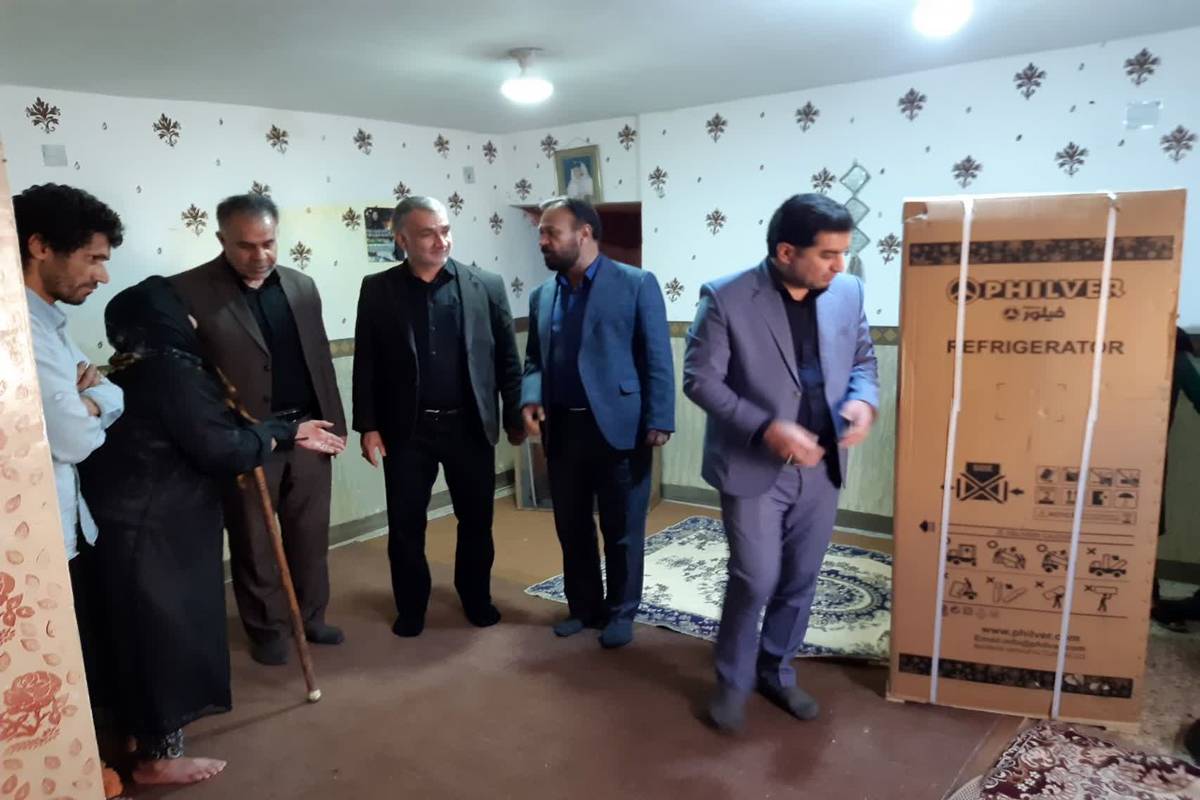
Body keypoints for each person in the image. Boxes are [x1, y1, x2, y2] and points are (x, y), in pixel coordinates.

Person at [80, 276, 343, 786]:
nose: (195, 321)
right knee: (163, 635)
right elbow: (222, 447)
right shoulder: (172, 372)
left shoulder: (129, 371)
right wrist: (280, 434)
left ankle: (138, 734)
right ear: (164, 319)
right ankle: (157, 759)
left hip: (130, 521)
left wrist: (280, 430)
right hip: (156, 529)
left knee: (134, 632)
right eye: (183, 312)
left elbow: (212, 429)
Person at [683, 193, 879, 733]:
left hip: (823, 464)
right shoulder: (726, 297)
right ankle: (733, 682)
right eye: (828, 254)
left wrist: (863, 401)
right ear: (786, 252)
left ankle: (776, 670)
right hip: (753, 466)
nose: (840, 265)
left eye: (844, 253)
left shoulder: (848, 291)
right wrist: (766, 427)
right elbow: (700, 380)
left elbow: (864, 359)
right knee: (755, 577)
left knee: (801, 576)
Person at [172, 194, 347, 666]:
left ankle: (311, 617)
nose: (260, 255)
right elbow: (188, 377)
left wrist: (336, 423)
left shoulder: (301, 285)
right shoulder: (188, 291)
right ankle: (268, 629)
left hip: (309, 431)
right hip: (246, 439)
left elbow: (320, 359)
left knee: (310, 534)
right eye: (246, 246)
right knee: (254, 540)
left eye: (268, 243)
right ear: (221, 239)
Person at [352, 196, 523, 637]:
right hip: (407, 430)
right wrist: (368, 426)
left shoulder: (486, 285)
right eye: (427, 233)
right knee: (406, 526)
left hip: (470, 425)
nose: (440, 241)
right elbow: (367, 361)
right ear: (402, 238)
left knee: (477, 522)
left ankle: (476, 596)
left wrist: (515, 416)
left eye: (445, 230)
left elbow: (507, 359)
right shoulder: (378, 288)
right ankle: (411, 606)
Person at [521, 197, 674, 649]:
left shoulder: (636, 283)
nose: (542, 241)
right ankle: (584, 607)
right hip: (563, 431)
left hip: (620, 429)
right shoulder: (542, 295)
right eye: (541, 233)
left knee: (622, 529)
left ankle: (622, 611)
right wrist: (531, 396)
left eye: (551, 232)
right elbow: (535, 360)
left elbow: (657, 357)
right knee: (572, 527)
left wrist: (660, 417)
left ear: (584, 233)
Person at [15, 182, 125, 711]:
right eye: (92, 259)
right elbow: (74, 440)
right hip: (33, 537)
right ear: (40, 246)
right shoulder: (20, 331)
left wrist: (93, 399)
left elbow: (111, 392)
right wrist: (93, 403)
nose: (103, 276)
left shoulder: (50, 321)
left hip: (64, 523)